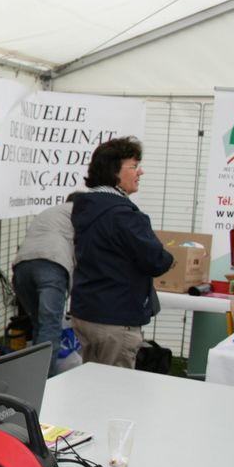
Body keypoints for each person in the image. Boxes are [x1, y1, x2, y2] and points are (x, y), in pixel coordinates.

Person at [69, 137, 173, 368]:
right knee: (116, 393)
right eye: (134, 166)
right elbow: (156, 260)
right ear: (113, 171)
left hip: (86, 312)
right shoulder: (123, 215)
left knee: (91, 384)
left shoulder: (86, 207)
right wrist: (170, 259)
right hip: (115, 318)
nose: (140, 172)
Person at [12, 194, 76, 376]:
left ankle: (31, 378)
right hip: (52, 264)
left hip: (22, 266)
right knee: (50, 327)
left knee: (39, 324)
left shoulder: (49, 212)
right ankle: (44, 383)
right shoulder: (80, 213)